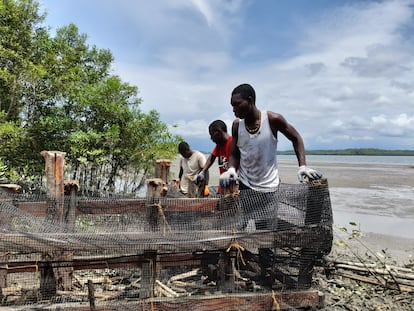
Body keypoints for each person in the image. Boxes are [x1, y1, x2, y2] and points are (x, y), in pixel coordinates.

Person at [220, 83, 322, 192]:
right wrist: (231, 169)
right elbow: (234, 154)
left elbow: (296, 138)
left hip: (270, 186)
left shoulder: (272, 120)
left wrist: (302, 166)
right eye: (232, 106)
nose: (234, 109)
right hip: (245, 185)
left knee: (269, 209)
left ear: (250, 100)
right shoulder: (237, 125)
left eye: (237, 104)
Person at [195, 120, 232, 194]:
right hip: (222, 188)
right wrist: (203, 171)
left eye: (212, 135)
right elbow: (212, 157)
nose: (211, 138)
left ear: (218, 132)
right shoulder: (219, 145)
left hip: (232, 188)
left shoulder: (232, 143)